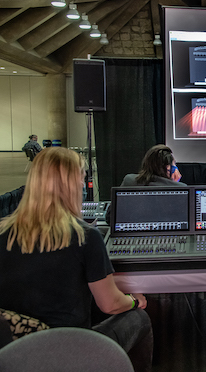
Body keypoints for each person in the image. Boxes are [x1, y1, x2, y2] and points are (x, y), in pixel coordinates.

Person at [0, 147, 153, 371]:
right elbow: (110, 304)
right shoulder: (84, 236)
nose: (83, 185)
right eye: (81, 179)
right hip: (70, 347)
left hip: (14, 352)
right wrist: (133, 300)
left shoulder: (3, 232)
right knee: (139, 319)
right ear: (71, 186)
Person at [121, 144, 185, 186]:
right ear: (167, 168)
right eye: (174, 164)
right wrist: (174, 184)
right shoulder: (181, 188)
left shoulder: (129, 181)